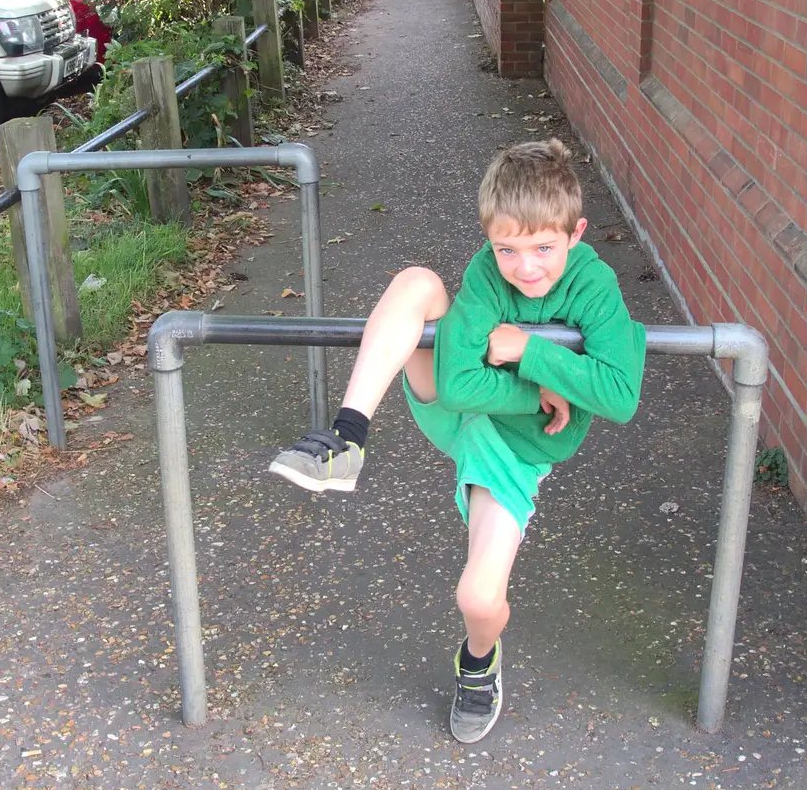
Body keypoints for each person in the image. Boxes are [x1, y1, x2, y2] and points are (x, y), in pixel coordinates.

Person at [269, 139, 646, 744]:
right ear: (489, 239)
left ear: (575, 234)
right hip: (462, 413)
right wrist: (540, 385)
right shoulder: (482, 272)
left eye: (544, 248)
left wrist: (530, 352)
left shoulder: (595, 285)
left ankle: (478, 663)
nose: (525, 267)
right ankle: (346, 438)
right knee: (417, 282)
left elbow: (620, 394)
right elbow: (457, 382)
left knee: (478, 596)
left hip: (516, 450)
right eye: (507, 249)